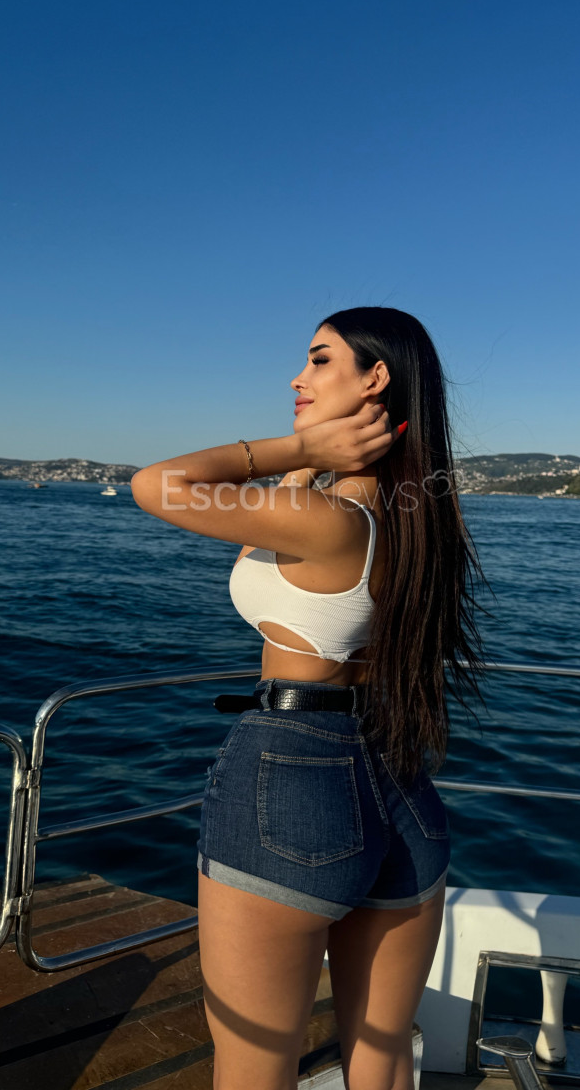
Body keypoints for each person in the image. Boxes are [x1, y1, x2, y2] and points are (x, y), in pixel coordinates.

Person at [131, 305, 483, 1090]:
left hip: (291, 776)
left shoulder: (324, 521)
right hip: (401, 781)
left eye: (320, 360)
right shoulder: (416, 518)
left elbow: (154, 485)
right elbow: (271, 529)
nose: (298, 376)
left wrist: (297, 448)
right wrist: (310, 464)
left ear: (376, 378)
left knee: (253, 1070)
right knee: (382, 1059)